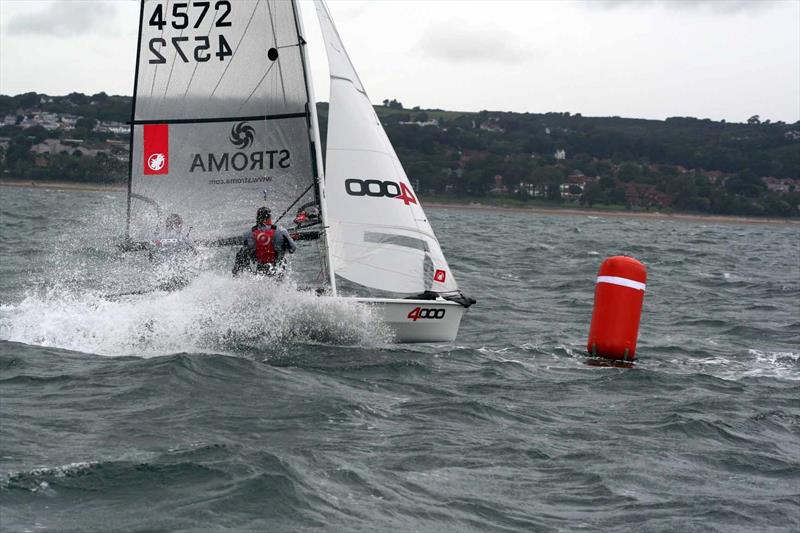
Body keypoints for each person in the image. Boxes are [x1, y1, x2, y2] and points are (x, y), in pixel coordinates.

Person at [232, 206, 297, 277]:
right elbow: (292, 249)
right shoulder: (281, 231)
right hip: (276, 266)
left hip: (259, 266)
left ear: (257, 218)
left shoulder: (248, 233)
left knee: (242, 252)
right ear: (269, 217)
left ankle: (236, 276)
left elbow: (247, 250)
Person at [148, 213, 196, 290]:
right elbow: (194, 253)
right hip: (178, 274)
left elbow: (151, 254)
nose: (181, 226)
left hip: (162, 274)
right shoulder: (183, 237)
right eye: (180, 223)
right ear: (175, 224)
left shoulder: (157, 238)